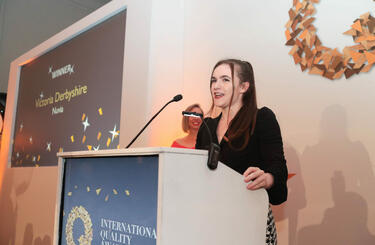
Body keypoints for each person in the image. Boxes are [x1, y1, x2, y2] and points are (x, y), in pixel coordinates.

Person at [195, 59, 288, 245]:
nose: (216, 86)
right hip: (212, 223)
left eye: (225, 80)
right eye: (213, 80)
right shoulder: (206, 127)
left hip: (250, 222)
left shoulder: (262, 118)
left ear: (244, 86)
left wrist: (268, 178)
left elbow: (279, 170)